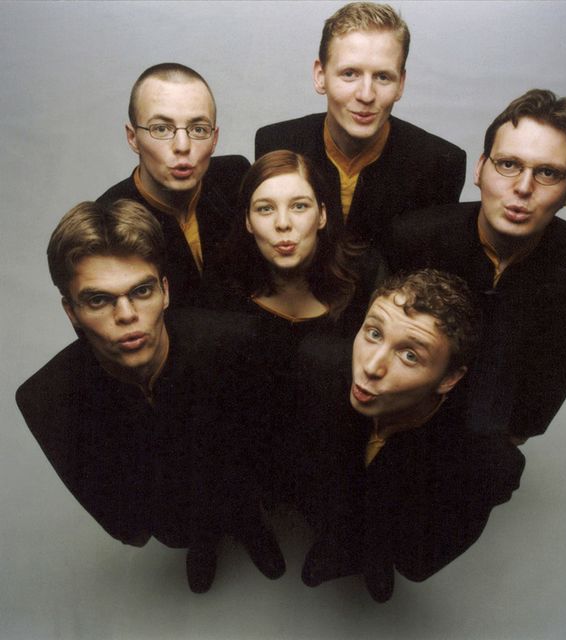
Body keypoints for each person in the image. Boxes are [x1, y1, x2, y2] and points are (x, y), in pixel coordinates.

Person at [15, 200, 284, 594]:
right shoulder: (47, 397)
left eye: (141, 291)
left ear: (165, 291)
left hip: (237, 485)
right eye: (98, 299)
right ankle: (203, 545)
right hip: (171, 518)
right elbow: (119, 515)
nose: (126, 314)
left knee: (244, 508)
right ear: (71, 312)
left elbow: (267, 445)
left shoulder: (236, 342)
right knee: (191, 533)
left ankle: (250, 529)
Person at [390, 89, 566, 442]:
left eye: (547, 172)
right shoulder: (412, 237)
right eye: (508, 164)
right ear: (480, 169)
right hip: (394, 424)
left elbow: (532, 413)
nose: (523, 187)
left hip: (490, 449)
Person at [301, 269, 525, 603]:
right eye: (374, 333)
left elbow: (421, 560)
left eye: (409, 355)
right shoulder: (320, 369)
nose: (371, 367)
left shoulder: (482, 462)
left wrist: (380, 551)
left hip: (394, 535)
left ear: (448, 379)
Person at [208, 149, 382, 520]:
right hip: (257, 450)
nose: (283, 224)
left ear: (322, 215)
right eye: (265, 209)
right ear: (248, 222)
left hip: (338, 449)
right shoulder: (226, 285)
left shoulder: (366, 275)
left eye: (299, 206)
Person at [255, 2, 465, 259]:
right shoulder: (275, 143)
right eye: (350, 74)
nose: (366, 95)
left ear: (401, 84)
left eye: (383, 77)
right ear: (320, 76)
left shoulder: (439, 164)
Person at [98, 63, 250, 307]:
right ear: (132, 137)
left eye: (198, 129)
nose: (182, 146)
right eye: (161, 129)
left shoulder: (236, 179)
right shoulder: (106, 222)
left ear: (214, 139)